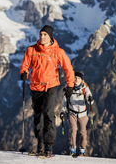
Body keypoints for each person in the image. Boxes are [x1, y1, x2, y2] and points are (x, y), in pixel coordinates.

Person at [20, 25, 75, 157]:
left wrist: (70, 85)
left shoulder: (58, 52)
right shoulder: (31, 50)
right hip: (35, 86)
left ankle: (48, 147)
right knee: (38, 115)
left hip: (51, 86)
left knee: (49, 113)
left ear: (50, 36)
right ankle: (39, 144)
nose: (42, 37)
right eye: (41, 34)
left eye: (45, 35)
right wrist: (24, 72)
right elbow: (25, 64)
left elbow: (68, 68)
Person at [60, 71, 94, 157]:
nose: (76, 79)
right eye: (75, 78)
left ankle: (82, 150)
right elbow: (65, 101)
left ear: (81, 79)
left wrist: (90, 99)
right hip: (72, 112)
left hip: (83, 114)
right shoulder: (68, 88)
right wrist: (63, 111)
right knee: (72, 130)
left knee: (82, 132)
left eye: (78, 78)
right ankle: (72, 149)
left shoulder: (85, 88)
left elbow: (90, 99)